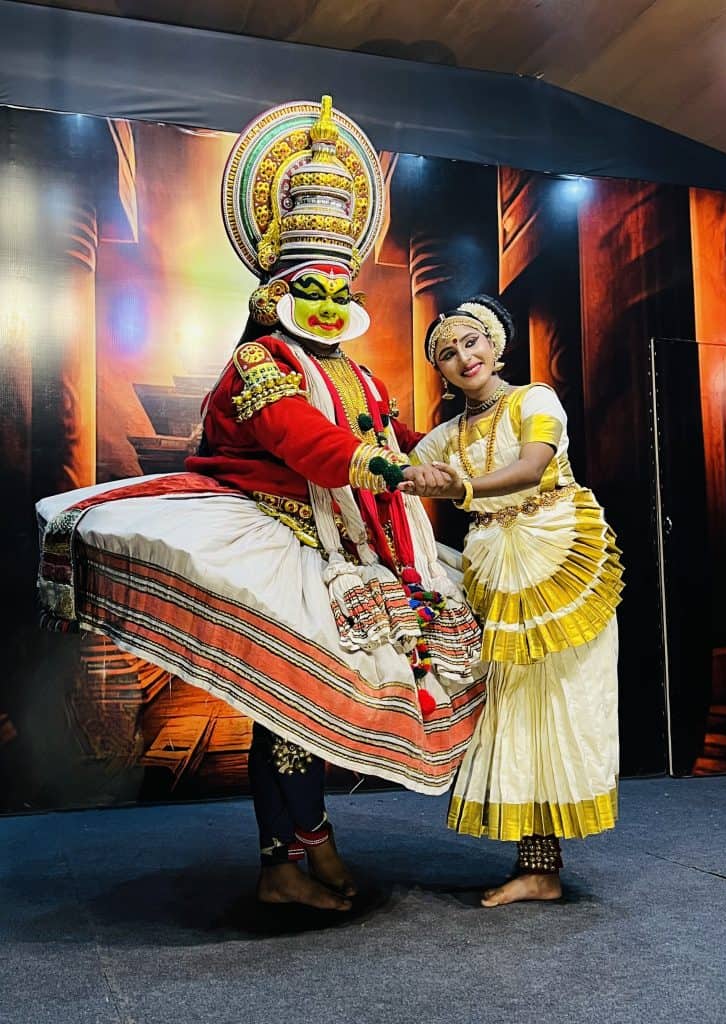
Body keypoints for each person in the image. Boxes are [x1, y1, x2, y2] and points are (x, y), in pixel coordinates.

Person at [36, 98, 485, 912]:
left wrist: (468, 444)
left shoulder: (358, 375)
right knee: (286, 706)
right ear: (275, 293)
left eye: (336, 289)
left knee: (295, 710)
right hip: (279, 540)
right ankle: (297, 855)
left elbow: (397, 435)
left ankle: (290, 860)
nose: (323, 304)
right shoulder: (260, 366)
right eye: (307, 289)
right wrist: (391, 468)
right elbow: (307, 445)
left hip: (350, 547)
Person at [400, 294, 624, 906]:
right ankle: (538, 869)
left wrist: (463, 485)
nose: (462, 356)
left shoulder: (536, 399)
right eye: (447, 352)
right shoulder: (444, 437)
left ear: (495, 345)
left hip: (557, 559)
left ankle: (544, 865)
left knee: (563, 704)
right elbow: (395, 472)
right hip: (495, 571)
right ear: (440, 371)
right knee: (512, 712)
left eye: (471, 342)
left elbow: (532, 467)